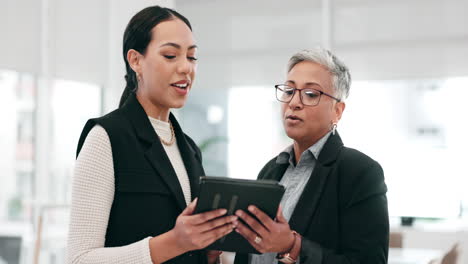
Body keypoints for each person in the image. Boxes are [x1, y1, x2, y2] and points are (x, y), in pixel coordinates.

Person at [67, 6, 238, 264]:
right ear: (135, 60)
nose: (186, 68)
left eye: (191, 57)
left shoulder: (189, 148)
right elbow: (80, 259)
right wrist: (174, 243)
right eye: (170, 55)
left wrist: (210, 252)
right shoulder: (106, 138)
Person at [234, 48, 389, 264]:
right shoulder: (270, 169)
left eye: (310, 94)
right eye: (289, 91)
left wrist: (292, 246)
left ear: (337, 111)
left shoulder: (360, 172)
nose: (294, 102)